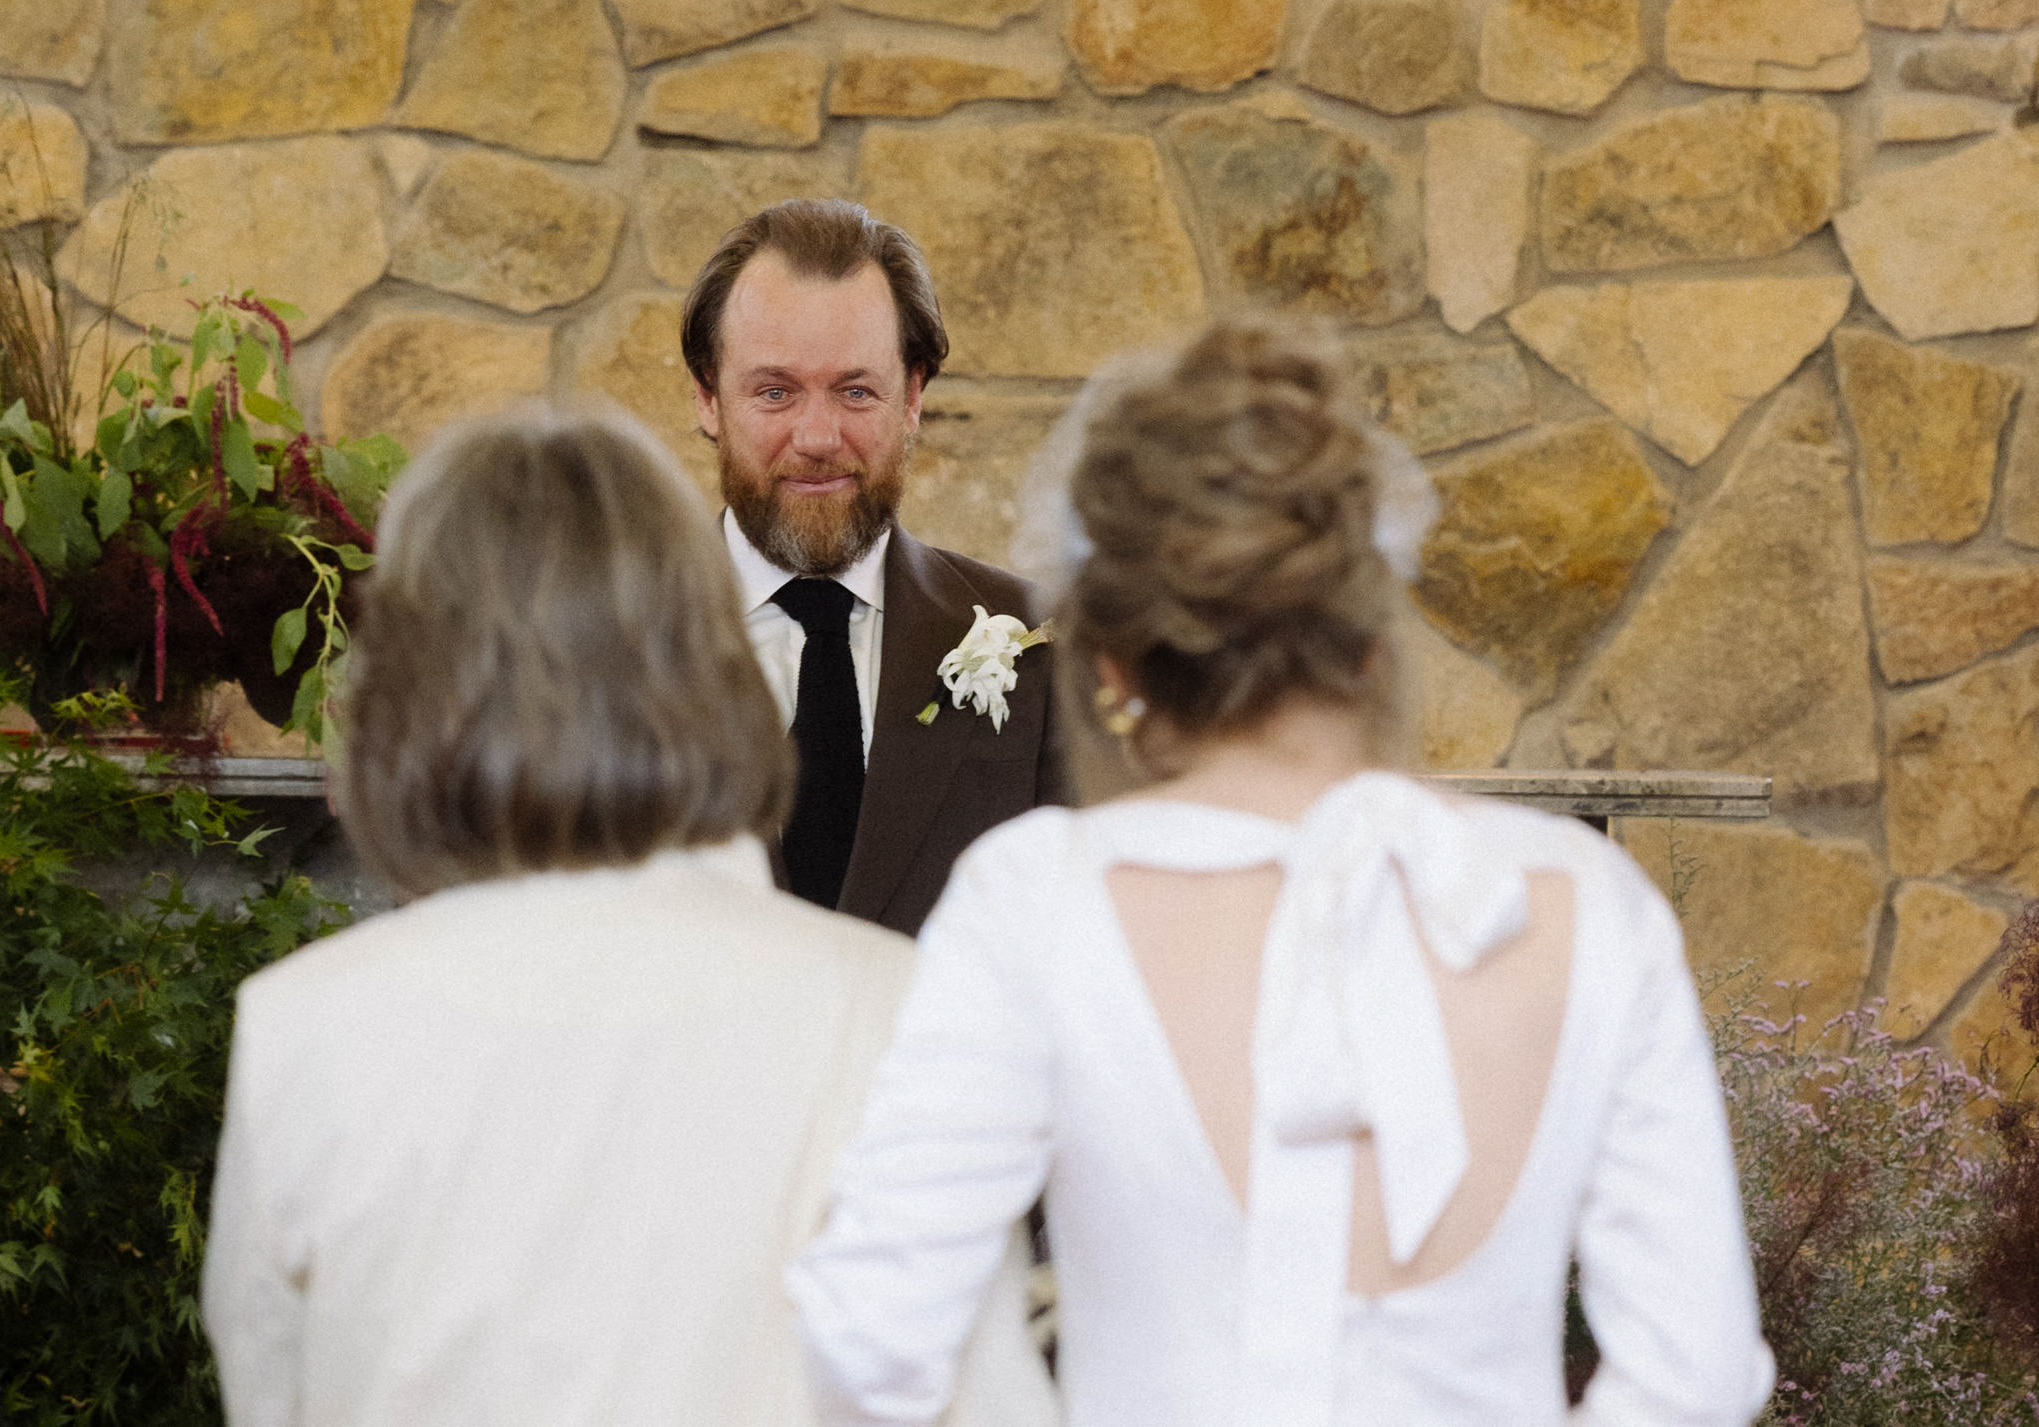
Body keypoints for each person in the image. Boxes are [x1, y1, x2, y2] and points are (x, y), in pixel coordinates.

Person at [786, 317, 1776, 1426]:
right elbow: (1695, 1378)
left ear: (1112, 666)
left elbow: (868, 1344)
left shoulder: (1038, 899)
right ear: (1368, 628)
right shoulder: (1582, 904)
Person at [200, 406, 1054, 1427]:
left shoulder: (305, 1027)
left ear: (413, 690)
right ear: (708, 661)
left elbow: (278, 1396)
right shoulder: (891, 1009)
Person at [685, 199, 1063, 936]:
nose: (819, 436)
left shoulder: (1043, 651)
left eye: (856, 391)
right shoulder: (603, 651)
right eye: (775, 392)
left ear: (913, 395)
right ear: (708, 397)